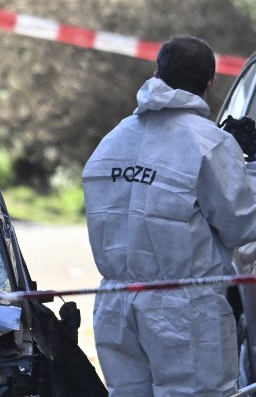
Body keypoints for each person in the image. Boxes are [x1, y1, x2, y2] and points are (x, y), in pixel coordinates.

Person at [82, 34, 256, 396]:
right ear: (211, 82)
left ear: (157, 71)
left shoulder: (112, 140)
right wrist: (241, 169)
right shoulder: (211, 144)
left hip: (115, 306)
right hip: (184, 311)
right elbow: (241, 226)